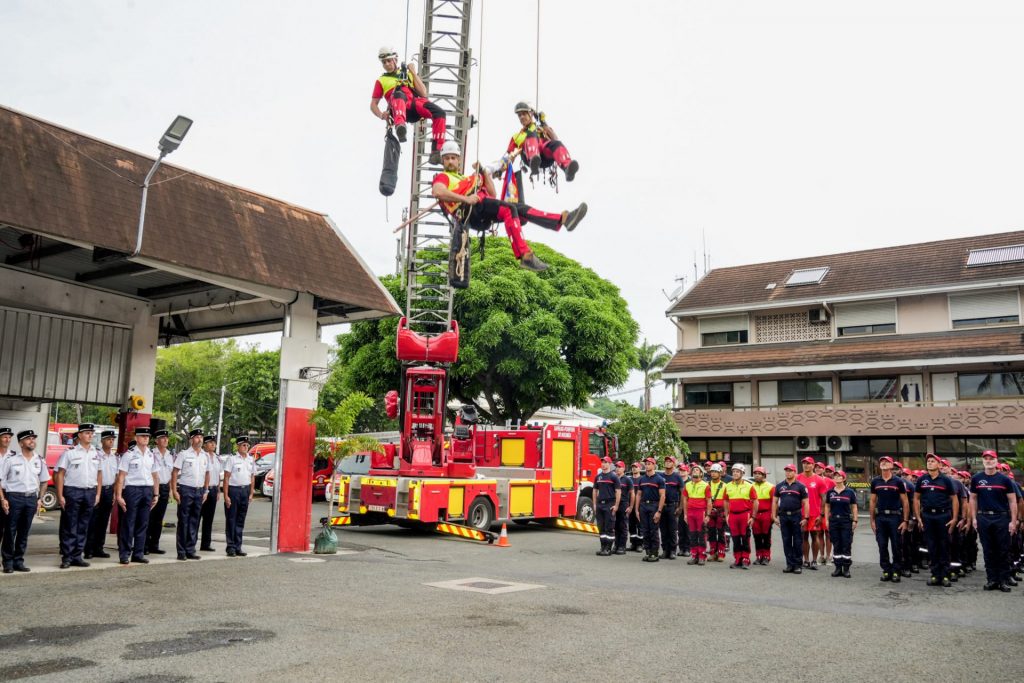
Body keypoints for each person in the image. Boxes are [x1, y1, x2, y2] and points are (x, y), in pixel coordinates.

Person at [431, 141, 588, 272]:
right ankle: (525, 255)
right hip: (469, 211)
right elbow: (438, 192)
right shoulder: (443, 177)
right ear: (443, 161)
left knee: (519, 209)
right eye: (447, 158)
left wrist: (483, 173)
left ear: (459, 160)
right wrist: (466, 198)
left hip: (480, 208)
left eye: (453, 158)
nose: (450, 161)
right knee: (509, 209)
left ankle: (563, 219)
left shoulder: (467, 178)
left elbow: (492, 194)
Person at [370, 46, 446, 164]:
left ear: (395, 60)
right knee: (399, 94)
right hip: (399, 106)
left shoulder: (407, 73)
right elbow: (373, 104)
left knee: (440, 113)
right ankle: (400, 127)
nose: (387, 64)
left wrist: (413, 73)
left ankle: (436, 151)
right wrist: (381, 115)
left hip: (414, 104)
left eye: (389, 61)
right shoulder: (381, 81)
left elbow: (423, 92)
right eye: (384, 62)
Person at [0, 430, 50, 573]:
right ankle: (8, 562)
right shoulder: (11, 460)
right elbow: (1, 481)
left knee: (24, 532)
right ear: (21, 443)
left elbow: (44, 481)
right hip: (14, 497)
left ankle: (18, 561)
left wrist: (40, 498)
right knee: (10, 531)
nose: (32, 441)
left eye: (33, 438)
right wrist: (3, 499)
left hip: (31, 499)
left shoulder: (39, 460)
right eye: (28, 439)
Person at [54, 423, 101, 569]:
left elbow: (99, 474)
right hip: (73, 491)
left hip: (89, 491)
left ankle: (77, 556)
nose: (90, 435)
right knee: (70, 525)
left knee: (83, 525)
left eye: (91, 433)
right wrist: (60, 495)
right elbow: (60, 474)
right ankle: (67, 557)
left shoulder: (96, 453)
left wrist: (98, 493)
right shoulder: (70, 453)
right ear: (80, 435)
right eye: (87, 433)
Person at [971, 450, 1018, 592]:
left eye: (991, 458)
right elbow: (972, 499)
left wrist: (1013, 521)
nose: (989, 461)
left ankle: (1003, 580)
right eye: (986, 458)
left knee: (1003, 550)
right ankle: (992, 580)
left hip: (1002, 518)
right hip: (983, 518)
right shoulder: (976, 478)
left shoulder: (1005, 480)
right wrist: (974, 518)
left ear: (996, 461)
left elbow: (1012, 501)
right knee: (988, 550)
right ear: (983, 461)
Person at [114, 427, 160, 565]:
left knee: (143, 523)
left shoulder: (151, 455)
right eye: (143, 436)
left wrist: (156, 494)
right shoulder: (129, 454)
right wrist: (119, 495)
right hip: (132, 490)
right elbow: (121, 476)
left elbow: (155, 476)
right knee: (129, 523)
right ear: (136, 438)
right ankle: (124, 554)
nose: (146, 438)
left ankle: (138, 553)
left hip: (147, 490)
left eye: (147, 436)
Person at [915, 453, 959, 587]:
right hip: (928, 516)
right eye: (928, 461)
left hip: (943, 516)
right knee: (932, 546)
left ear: (939, 465)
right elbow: (916, 498)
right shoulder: (922, 480)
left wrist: (955, 518)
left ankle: (945, 575)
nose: (930, 463)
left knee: (944, 546)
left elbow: (955, 499)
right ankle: (935, 574)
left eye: (933, 461)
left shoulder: (946, 480)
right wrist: (918, 518)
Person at [506, 102, 580, 181]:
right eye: (519, 115)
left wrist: (543, 122)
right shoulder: (517, 136)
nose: (521, 117)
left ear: (530, 114)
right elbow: (509, 155)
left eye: (524, 114)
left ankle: (567, 169)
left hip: (545, 157)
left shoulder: (541, 128)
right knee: (531, 135)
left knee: (557, 144)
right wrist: (500, 168)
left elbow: (555, 139)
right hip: (529, 157)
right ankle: (533, 161)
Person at [869, 455, 910, 583]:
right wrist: (872, 520)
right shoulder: (875, 481)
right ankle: (886, 570)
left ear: (892, 465)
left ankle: (897, 571)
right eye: (882, 461)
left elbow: (905, 502)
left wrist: (905, 520)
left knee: (896, 546)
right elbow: (872, 501)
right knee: (882, 545)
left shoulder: (898, 481)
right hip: (880, 517)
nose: (884, 463)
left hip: (895, 517)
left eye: (887, 462)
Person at [170, 429, 209, 561]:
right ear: (191, 439)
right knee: (183, 521)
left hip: (199, 490)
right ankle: (181, 551)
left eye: (201, 437)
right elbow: (175, 472)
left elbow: (207, 474)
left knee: (195, 521)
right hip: (186, 489)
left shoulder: (205, 455)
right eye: (197, 437)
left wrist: (206, 490)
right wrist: (174, 490)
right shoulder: (184, 454)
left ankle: (191, 549)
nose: (200, 439)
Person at [86, 429, 119, 559]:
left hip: (109, 490)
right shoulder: (96, 455)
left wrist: (114, 493)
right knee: (93, 520)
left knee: (104, 521)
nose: (111, 441)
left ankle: (99, 548)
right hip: (97, 490)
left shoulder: (115, 458)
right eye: (108, 439)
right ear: (102, 441)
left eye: (112, 439)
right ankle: (88, 549)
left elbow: (116, 477)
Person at [222, 436, 256, 557]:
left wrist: (251, 493)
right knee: (231, 519)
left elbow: (252, 477)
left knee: (240, 520)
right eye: (243, 445)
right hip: (234, 490)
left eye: (247, 445)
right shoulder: (232, 459)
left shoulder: (250, 459)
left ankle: (238, 546)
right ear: (238, 446)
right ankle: (230, 547)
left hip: (245, 491)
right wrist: (226, 495)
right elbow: (226, 477)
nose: (246, 447)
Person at [773, 464, 809, 574]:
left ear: (795, 472)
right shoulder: (779, 486)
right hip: (783, 516)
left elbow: (806, 503)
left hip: (796, 516)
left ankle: (798, 565)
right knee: (786, 541)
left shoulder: (801, 486)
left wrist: (806, 517)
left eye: (790, 471)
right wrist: (774, 516)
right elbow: (774, 502)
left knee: (798, 541)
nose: (788, 473)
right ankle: (789, 564)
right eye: (786, 471)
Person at [146, 429, 175, 555]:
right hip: (152, 487)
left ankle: (154, 545)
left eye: (166, 438)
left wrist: (170, 490)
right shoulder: (151, 454)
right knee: (149, 518)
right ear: (157, 441)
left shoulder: (170, 455)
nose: (165, 440)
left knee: (159, 518)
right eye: (162, 438)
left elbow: (171, 474)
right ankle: (145, 545)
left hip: (164, 488)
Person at [825, 469, 858, 578]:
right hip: (834, 520)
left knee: (846, 544)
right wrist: (826, 520)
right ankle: (838, 568)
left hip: (846, 521)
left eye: (839, 476)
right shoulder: (830, 492)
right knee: (836, 544)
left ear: (844, 478)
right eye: (835, 476)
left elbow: (854, 506)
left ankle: (846, 569)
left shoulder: (850, 492)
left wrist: (855, 520)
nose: (836, 478)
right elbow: (827, 506)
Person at [724, 463, 757, 568]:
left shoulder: (749, 486)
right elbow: (726, 501)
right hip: (733, 515)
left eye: (737, 471)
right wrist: (726, 515)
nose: (735, 473)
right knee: (735, 538)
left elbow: (755, 501)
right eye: (733, 471)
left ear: (742, 473)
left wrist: (753, 517)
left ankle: (746, 559)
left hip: (745, 514)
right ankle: (738, 559)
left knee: (745, 537)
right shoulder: (728, 486)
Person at [796, 456, 826, 570]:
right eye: (804, 463)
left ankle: (814, 560)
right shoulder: (797, 478)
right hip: (801, 513)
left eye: (808, 463)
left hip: (814, 513)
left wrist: (821, 514)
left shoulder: (819, 479)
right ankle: (806, 560)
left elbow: (824, 498)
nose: (806, 465)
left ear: (813, 465)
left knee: (815, 536)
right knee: (803, 536)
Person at [637, 457, 665, 562]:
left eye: (649, 463)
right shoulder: (642, 479)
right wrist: (637, 509)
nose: (647, 465)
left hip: (654, 506)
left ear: (654, 465)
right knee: (645, 530)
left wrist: (659, 511)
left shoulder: (659, 479)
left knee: (653, 530)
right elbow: (639, 494)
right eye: (646, 463)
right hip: (643, 506)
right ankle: (648, 551)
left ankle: (654, 553)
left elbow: (662, 496)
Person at [199, 435, 223, 552]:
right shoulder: (202, 456)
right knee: (197, 517)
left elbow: (218, 474)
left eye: (214, 443)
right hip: (203, 489)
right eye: (210, 443)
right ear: (205, 445)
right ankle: (190, 544)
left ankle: (205, 544)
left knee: (209, 519)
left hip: (213, 489)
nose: (213, 444)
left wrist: (218, 490)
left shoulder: (217, 458)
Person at [682, 463, 710, 565]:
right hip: (690, 512)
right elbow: (685, 500)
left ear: (702, 473)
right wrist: (685, 514)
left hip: (701, 512)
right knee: (692, 535)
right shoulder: (687, 485)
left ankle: (702, 556)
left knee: (701, 535)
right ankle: (694, 556)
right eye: (693, 470)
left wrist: (708, 515)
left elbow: (709, 501)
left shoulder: (706, 485)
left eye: (697, 470)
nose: (695, 472)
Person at [593, 456, 621, 556]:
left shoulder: (614, 477)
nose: (603, 464)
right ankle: (603, 547)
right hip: (600, 504)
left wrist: (616, 505)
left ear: (609, 464)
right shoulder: (598, 477)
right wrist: (595, 504)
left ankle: (608, 548)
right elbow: (595, 491)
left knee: (609, 527)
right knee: (601, 527)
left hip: (610, 504)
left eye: (605, 462)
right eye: (602, 462)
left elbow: (618, 492)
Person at [659, 456, 683, 560]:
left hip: (673, 506)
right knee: (663, 530)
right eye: (666, 461)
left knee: (672, 530)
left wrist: (680, 507)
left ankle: (673, 551)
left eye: (670, 461)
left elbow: (683, 493)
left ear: (673, 464)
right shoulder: (660, 476)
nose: (667, 463)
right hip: (662, 506)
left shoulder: (677, 477)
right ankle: (665, 550)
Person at [751, 466, 775, 565]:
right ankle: (758, 556)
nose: (757, 475)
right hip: (755, 515)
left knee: (766, 535)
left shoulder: (771, 486)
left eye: (759, 474)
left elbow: (775, 503)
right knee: (756, 536)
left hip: (766, 513)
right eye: (755, 474)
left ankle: (766, 556)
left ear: (764, 475)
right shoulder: (751, 486)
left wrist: (773, 515)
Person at [706, 463, 728, 561]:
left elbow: (728, 500)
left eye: (716, 472)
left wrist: (727, 514)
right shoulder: (706, 485)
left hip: (720, 512)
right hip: (710, 512)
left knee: (721, 532)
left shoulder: (725, 486)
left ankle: (721, 553)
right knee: (711, 533)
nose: (714, 474)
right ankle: (712, 552)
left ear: (720, 473)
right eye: (712, 472)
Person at [612, 460, 633, 555]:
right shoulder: (613, 478)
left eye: (619, 467)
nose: (617, 468)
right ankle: (616, 545)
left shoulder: (627, 480)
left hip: (623, 504)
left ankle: (622, 546)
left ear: (624, 469)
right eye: (616, 467)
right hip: (614, 504)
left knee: (623, 526)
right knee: (615, 526)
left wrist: (631, 506)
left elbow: (632, 494)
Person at [0, 426, 15, 553]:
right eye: (5, 437)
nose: (7, 439)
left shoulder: (14, 456)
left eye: (9, 437)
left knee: (6, 526)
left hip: (7, 493)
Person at [819, 463, 836, 565]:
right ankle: (821, 556)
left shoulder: (833, 482)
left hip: (829, 511)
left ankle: (829, 555)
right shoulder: (820, 480)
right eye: (827, 471)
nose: (828, 473)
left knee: (828, 534)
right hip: (819, 510)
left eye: (830, 471)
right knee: (819, 534)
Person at [628, 462, 643, 552]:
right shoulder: (629, 480)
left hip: (640, 506)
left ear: (640, 468)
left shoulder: (642, 479)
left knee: (640, 525)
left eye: (636, 467)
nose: (634, 468)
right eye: (633, 467)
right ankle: (633, 543)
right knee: (631, 525)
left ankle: (640, 544)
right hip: (630, 506)